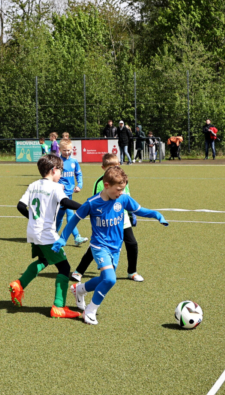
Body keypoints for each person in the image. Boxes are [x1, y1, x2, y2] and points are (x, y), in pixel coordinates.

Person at [53, 166, 169, 325]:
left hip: (116, 247)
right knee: (110, 279)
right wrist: (63, 238)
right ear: (107, 185)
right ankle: (90, 310)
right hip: (99, 246)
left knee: (103, 278)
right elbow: (74, 219)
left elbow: (140, 210)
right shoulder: (92, 203)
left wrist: (157, 215)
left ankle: (79, 290)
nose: (121, 192)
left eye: (123, 189)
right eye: (119, 189)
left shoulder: (124, 199)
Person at [9, 154, 84, 319]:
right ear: (53, 170)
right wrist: (86, 207)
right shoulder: (56, 187)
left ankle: (19, 285)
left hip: (33, 232)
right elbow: (66, 202)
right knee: (64, 267)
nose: (61, 175)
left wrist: (33, 219)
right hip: (47, 234)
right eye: (60, 171)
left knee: (43, 261)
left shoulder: (33, 185)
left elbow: (20, 206)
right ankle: (58, 306)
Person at [72, 153, 143, 283]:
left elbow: (127, 198)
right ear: (103, 168)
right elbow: (95, 204)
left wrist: (132, 213)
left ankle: (132, 272)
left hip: (122, 220)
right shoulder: (100, 183)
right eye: (109, 167)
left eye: (115, 166)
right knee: (96, 246)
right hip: (106, 222)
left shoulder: (123, 181)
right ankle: (79, 271)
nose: (113, 169)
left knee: (132, 244)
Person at [55, 139, 88, 246]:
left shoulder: (74, 162)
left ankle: (54, 235)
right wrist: (57, 186)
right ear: (59, 149)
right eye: (64, 150)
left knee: (62, 215)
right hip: (60, 194)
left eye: (69, 150)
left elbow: (79, 174)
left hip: (69, 193)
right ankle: (74, 236)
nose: (67, 152)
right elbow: (51, 176)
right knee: (66, 215)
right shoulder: (57, 161)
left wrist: (79, 185)